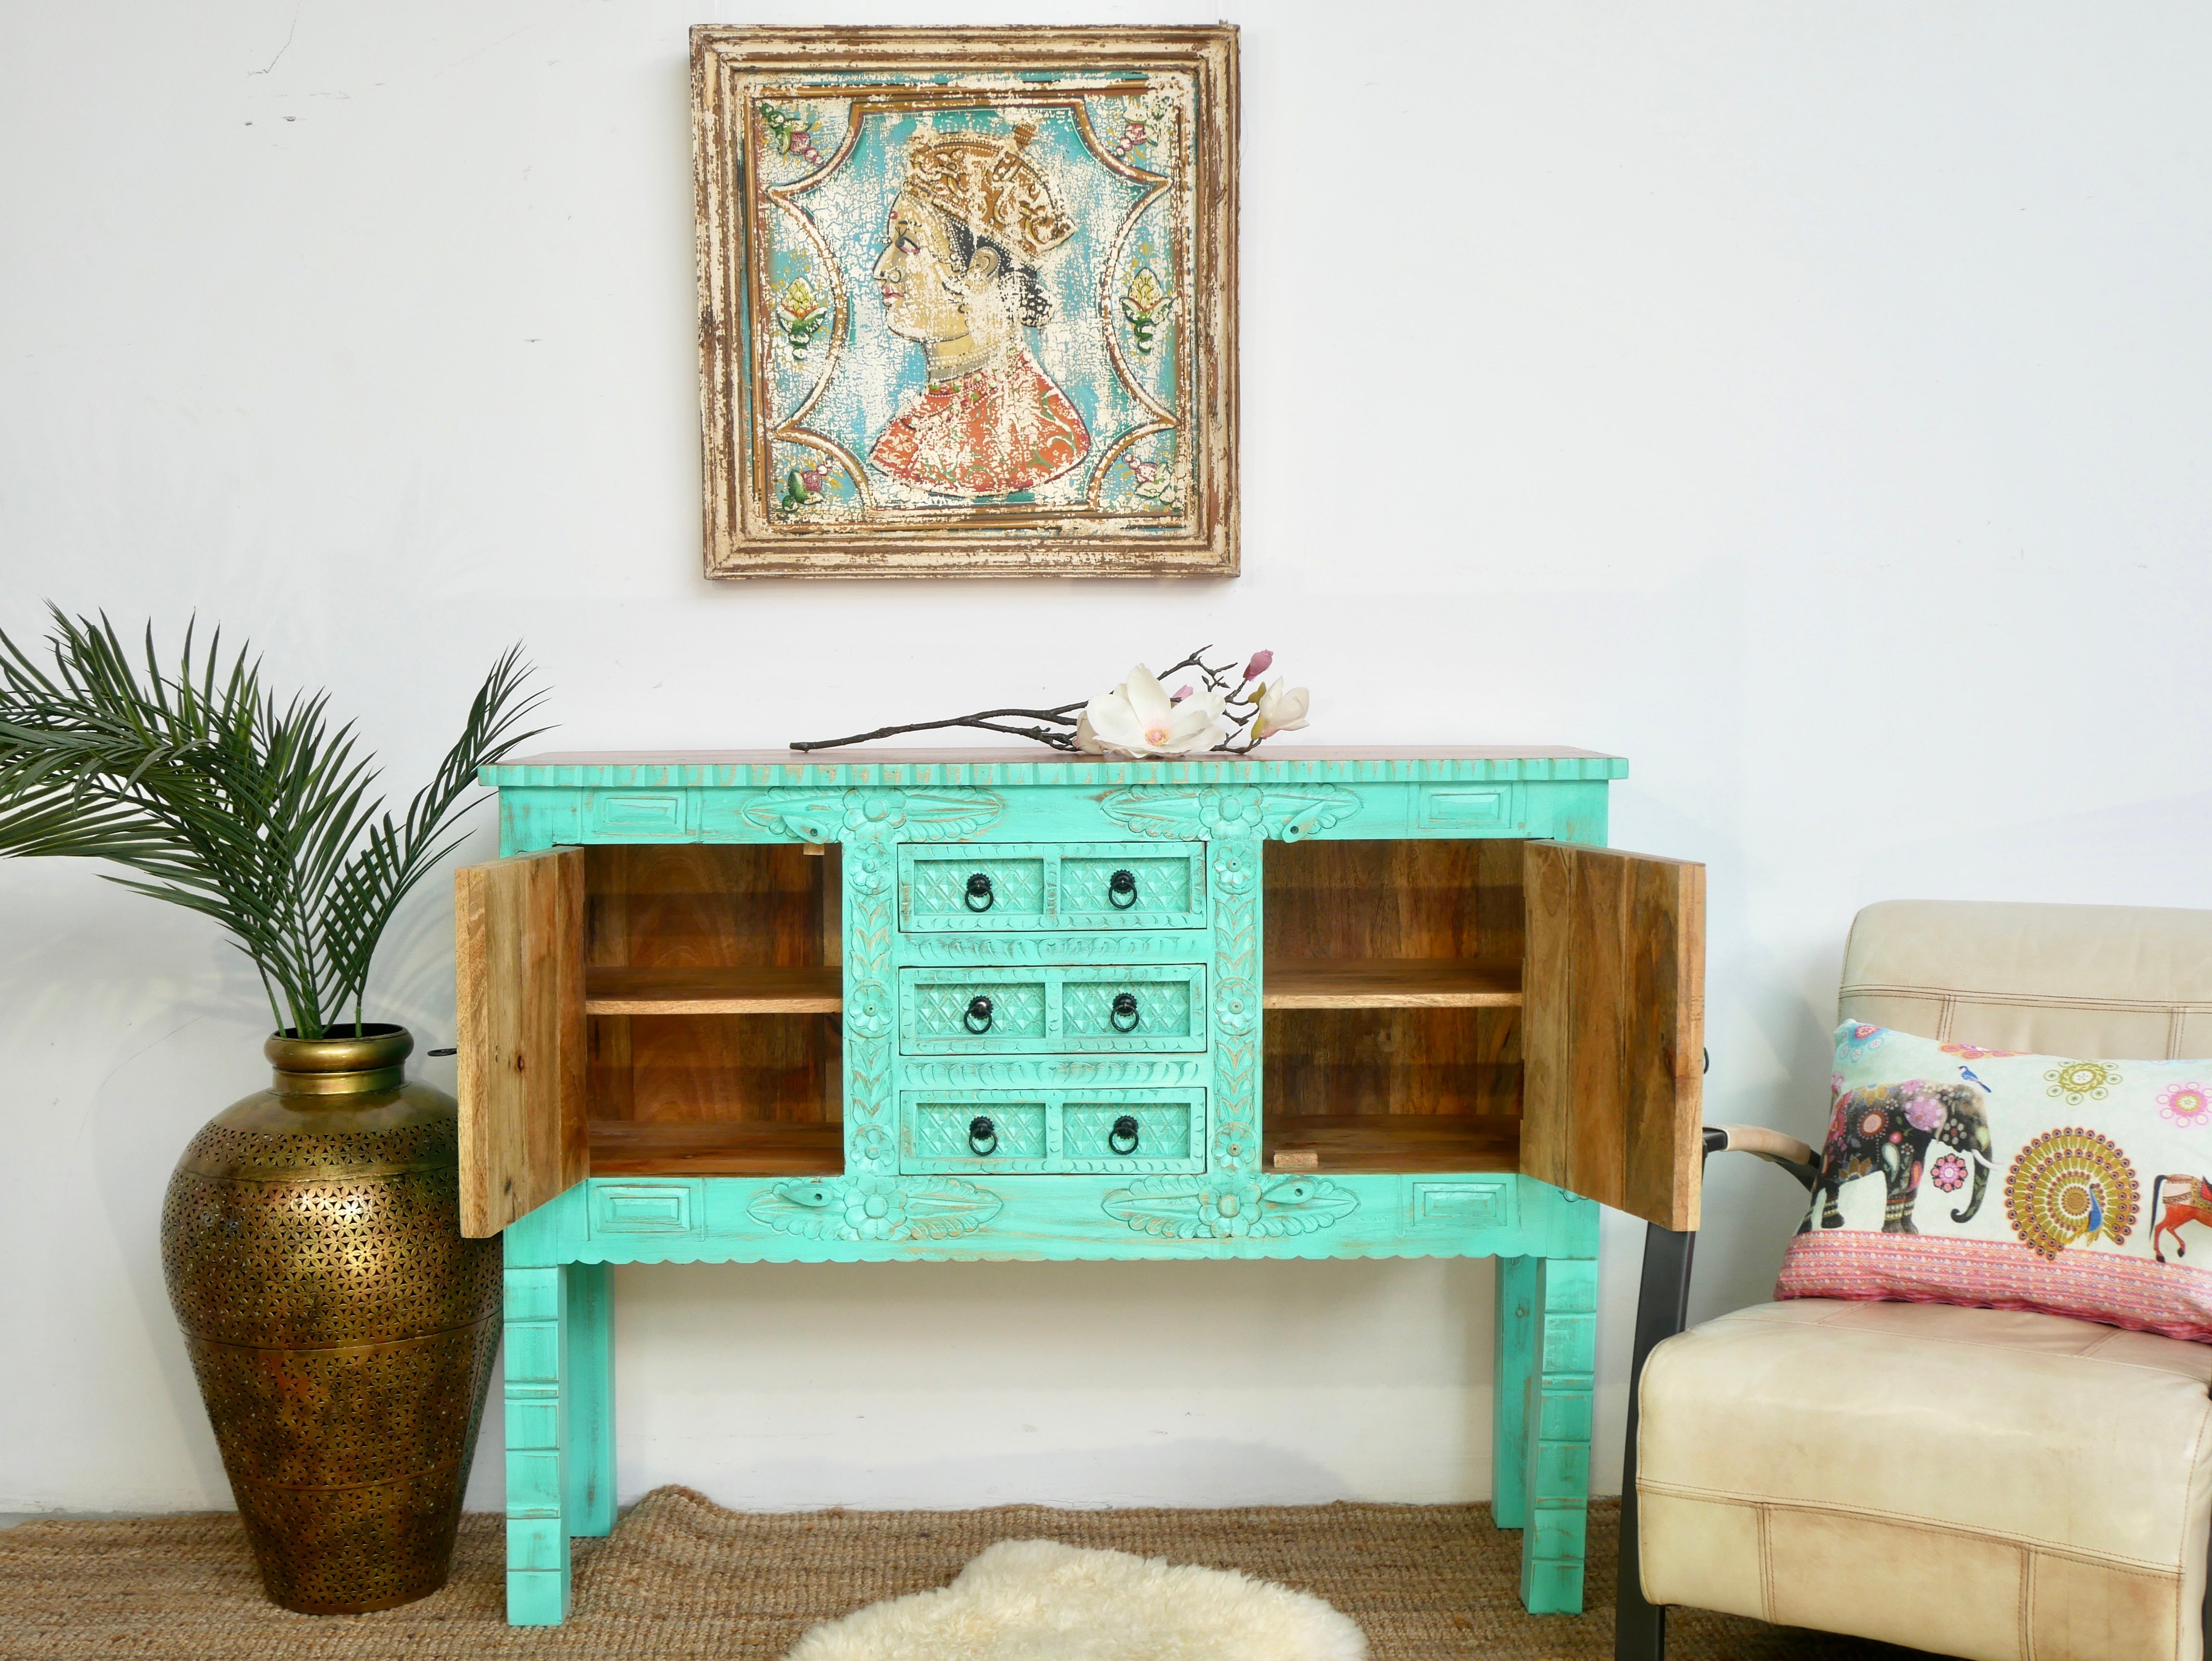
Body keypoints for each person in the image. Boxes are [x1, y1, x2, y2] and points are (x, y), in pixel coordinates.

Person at [868, 129, 1091, 497]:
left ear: (979, 269)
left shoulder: (1039, 434)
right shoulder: (918, 417)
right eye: (889, 243)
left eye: (907, 244)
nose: (881, 268)